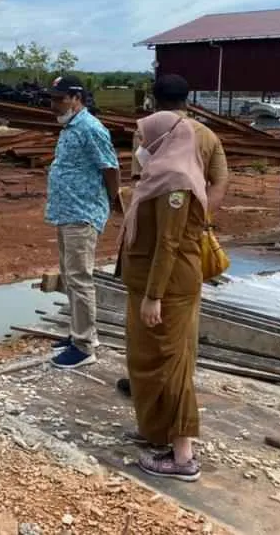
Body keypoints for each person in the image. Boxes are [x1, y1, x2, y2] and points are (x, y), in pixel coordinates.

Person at [117, 73, 228, 396]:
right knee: (182, 329)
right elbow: (220, 182)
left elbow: (143, 184)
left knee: (143, 325)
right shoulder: (207, 135)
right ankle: (178, 385)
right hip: (186, 242)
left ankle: (148, 388)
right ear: (188, 100)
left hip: (151, 243)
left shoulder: (149, 130)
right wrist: (198, 220)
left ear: (153, 99)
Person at [119, 110, 209, 482]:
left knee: (171, 365)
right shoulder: (158, 175)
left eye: (142, 138)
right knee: (146, 359)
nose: (138, 145)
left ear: (162, 138)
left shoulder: (175, 180)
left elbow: (169, 244)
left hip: (168, 288)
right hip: (148, 284)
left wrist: (154, 295)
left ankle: (182, 455)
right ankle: (155, 430)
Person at [44, 74, 121, 369]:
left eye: (59, 99)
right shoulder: (70, 127)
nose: (54, 105)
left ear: (76, 98)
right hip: (67, 212)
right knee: (70, 274)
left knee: (80, 277)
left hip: (82, 212)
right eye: (52, 99)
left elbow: (110, 168)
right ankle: (78, 332)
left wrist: (109, 199)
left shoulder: (90, 128)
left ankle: (84, 345)